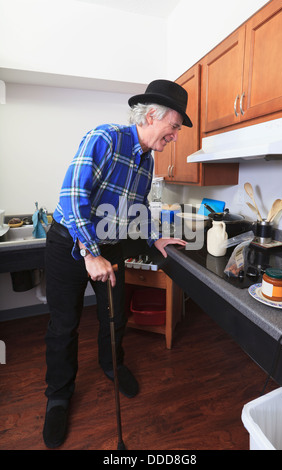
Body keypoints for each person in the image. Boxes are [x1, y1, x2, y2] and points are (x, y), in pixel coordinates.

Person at [42, 79, 192, 448]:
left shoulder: (147, 158)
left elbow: (138, 207)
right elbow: (72, 194)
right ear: (152, 115)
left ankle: (112, 365)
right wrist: (90, 254)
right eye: (174, 127)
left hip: (107, 246)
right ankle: (58, 395)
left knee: (114, 315)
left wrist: (153, 237)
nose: (175, 135)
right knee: (64, 324)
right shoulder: (105, 137)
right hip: (69, 242)